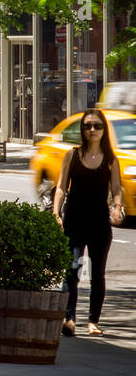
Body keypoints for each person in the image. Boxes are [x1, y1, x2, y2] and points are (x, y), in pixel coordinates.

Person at [53, 108, 123, 336]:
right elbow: (61, 187)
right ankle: (69, 319)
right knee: (72, 271)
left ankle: (93, 321)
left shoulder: (111, 160)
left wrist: (117, 208)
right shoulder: (72, 155)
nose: (92, 130)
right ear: (82, 130)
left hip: (100, 225)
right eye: (87, 126)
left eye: (97, 126)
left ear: (104, 130)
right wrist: (56, 213)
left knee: (98, 274)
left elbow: (116, 189)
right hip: (74, 222)